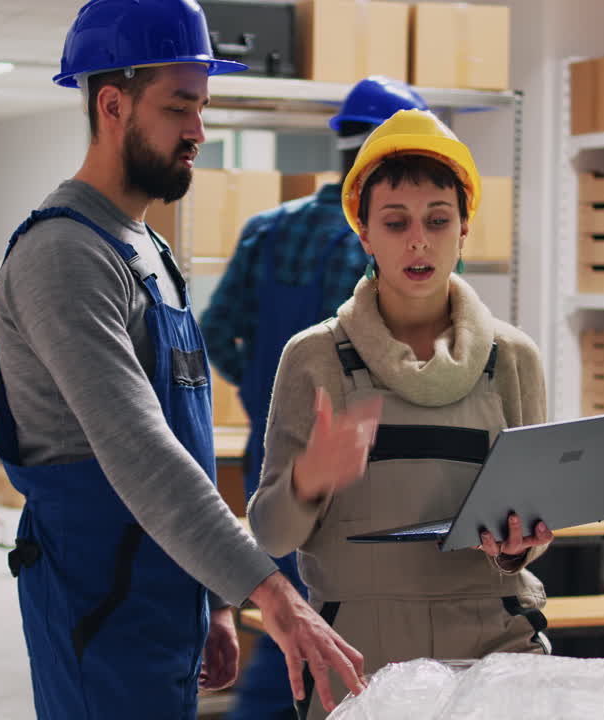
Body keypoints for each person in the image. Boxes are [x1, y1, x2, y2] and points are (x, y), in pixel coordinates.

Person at [0, 1, 365, 718]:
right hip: (97, 607)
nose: (199, 131)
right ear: (112, 104)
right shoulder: (65, 256)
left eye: (203, 107)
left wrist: (214, 596)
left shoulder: (146, 248)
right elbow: (142, 455)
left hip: (162, 594)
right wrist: (271, 592)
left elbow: (184, 447)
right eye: (179, 107)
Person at [246, 109, 556, 719]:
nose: (419, 240)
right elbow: (270, 535)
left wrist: (520, 548)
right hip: (361, 658)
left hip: (495, 648)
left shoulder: (514, 358)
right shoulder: (315, 359)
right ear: (364, 233)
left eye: (438, 221)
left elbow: (534, 522)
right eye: (396, 222)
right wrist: (310, 479)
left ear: (464, 229)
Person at [199, 76, 427, 720]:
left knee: (288, 621)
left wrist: (256, 392)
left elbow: (215, 329)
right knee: (344, 640)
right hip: (361, 464)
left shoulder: (268, 229)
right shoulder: (388, 245)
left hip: (277, 456)